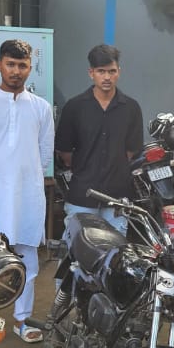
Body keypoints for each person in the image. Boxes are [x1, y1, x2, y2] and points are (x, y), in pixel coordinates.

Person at [0, 39, 54, 343]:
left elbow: (44, 154)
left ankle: (22, 320)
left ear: (30, 68)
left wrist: (23, 178)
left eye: (22, 65)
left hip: (28, 195)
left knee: (27, 258)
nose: (16, 71)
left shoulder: (41, 108)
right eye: (11, 64)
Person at [55, 44, 143, 240]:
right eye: (101, 71)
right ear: (91, 73)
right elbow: (65, 152)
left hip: (117, 197)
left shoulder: (131, 108)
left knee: (115, 252)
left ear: (119, 72)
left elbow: (131, 151)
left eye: (112, 71)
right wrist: (87, 167)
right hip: (82, 195)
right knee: (77, 249)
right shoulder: (75, 107)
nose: (107, 77)